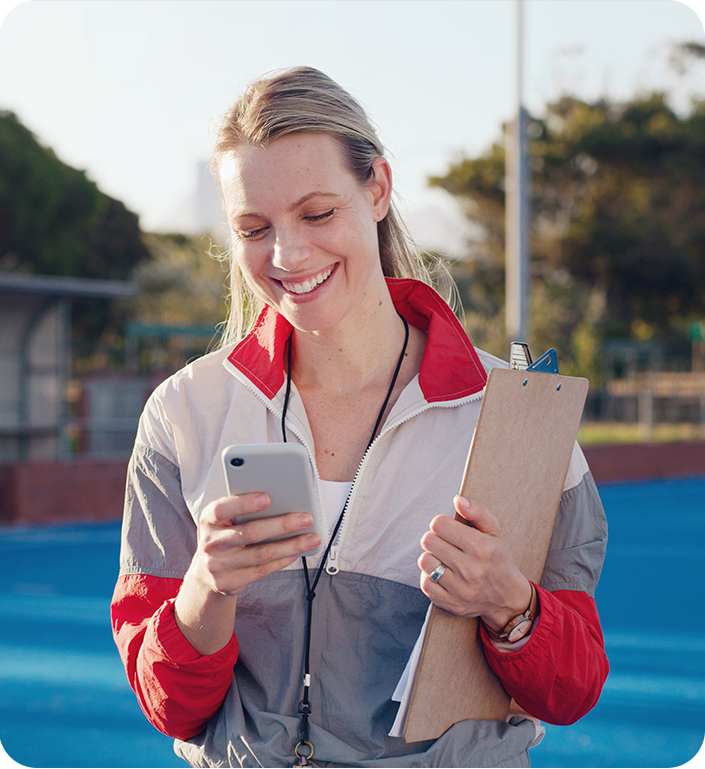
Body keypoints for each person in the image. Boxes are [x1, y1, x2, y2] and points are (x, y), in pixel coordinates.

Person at [111, 66, 609, 768]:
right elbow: (172, 705)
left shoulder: (516, 412)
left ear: (376, 188)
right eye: (254, 227)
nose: (287, 255)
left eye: (317, 213)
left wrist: (508, 604)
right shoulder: (185, 413)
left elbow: (572, 687)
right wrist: (206, 587)